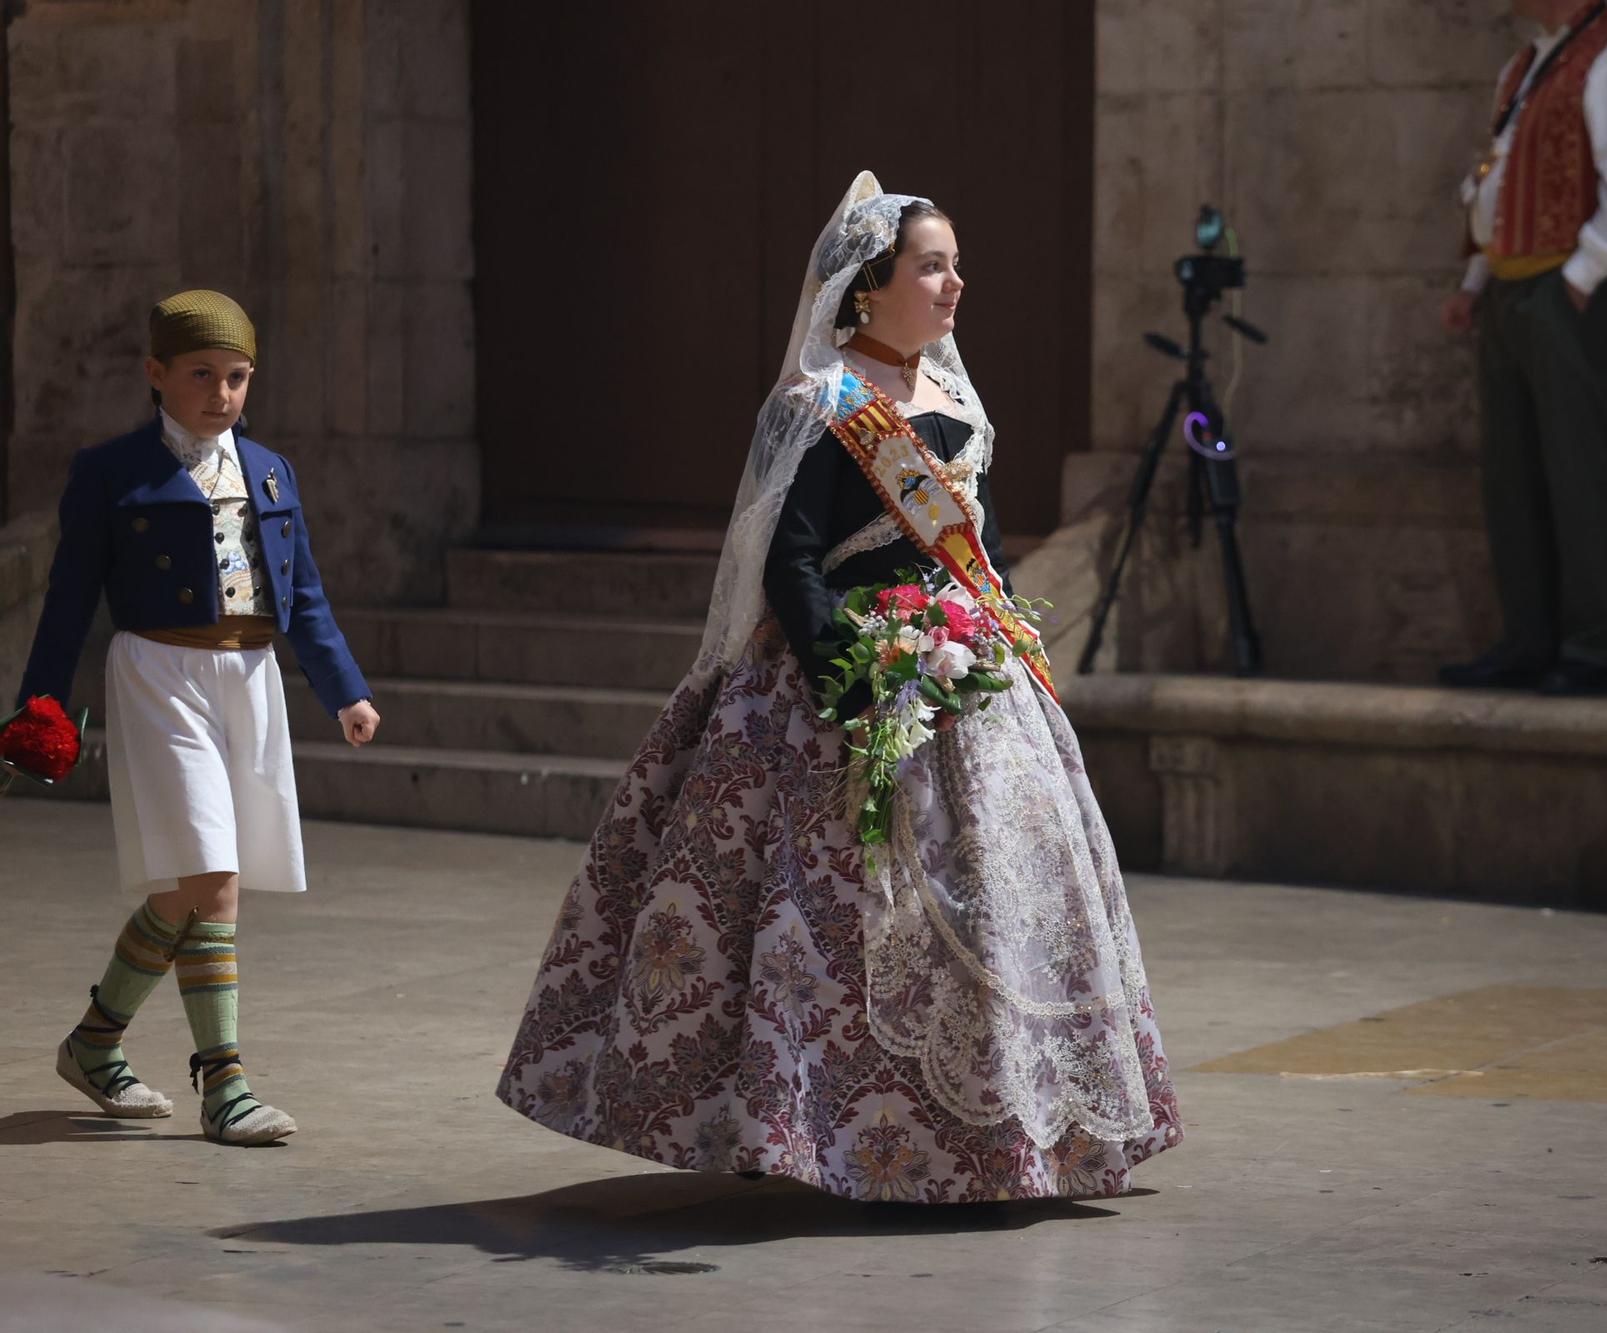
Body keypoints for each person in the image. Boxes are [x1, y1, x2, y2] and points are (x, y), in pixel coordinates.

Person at [496, 172, 1182, 1202]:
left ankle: (1016, 1134)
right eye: (932, 265)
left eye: (953, 263)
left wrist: (983, 641)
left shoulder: (953, 400)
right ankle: (835, 1138)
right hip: (844, 687)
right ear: (867, 287)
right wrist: (850, 680)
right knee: (824, 922)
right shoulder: (821, 405)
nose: (955, 282)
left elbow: (978, 548)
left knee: (1001, 904)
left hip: (967, 682)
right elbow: (793, 559)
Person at [12, 289, 380, 1145]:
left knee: (188, 889)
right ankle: (226, 1084)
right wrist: (38, 708)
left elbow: (305, 597)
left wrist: (346, 691)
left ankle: (96, 1042)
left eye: (239, 377)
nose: (222, 393)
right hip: (159, 674)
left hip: (249, 680)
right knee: (215, 881)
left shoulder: (272, 471)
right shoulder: (111, 471)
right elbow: (68, 601)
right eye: (202, 374)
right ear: (156, 374)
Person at [1439, 0, 1607, 696]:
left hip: (1568, 287)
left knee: (1578, 469)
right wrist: (1475, 281)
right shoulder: (1526, 66)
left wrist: (1578, 279)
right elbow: (1499, 185)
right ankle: (1527, 638)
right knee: (1511, 475)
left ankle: (1591, 650)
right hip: (1513, 288)